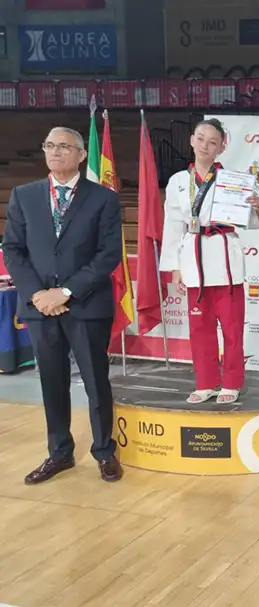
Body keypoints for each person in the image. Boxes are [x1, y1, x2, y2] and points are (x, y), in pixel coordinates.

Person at [2, 126, 124, 483]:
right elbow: (13, 249)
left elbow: (108, 256)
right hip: (39, 308)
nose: (55, 152)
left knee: (95, 381)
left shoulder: (103, 198)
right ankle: (60, 453)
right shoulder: (24, 196)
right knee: (52, 383)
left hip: (85, 306)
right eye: (50, 146)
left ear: (82, 154)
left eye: (64, 147)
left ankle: (104, 451)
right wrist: (38, 295)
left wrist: (66, 292)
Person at [159, 119, 259, 404]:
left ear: (222, 147)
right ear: (192, 141)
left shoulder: (234, 180)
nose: (205, 146)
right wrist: (174, 267)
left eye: (212, 142)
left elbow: (254, 222)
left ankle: (231, 382)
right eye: (200, 138)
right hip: (193, 258)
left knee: (232, 329)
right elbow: (172, 226)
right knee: (200, 329)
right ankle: (206, 382)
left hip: (224, 259)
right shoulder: (177, 182)